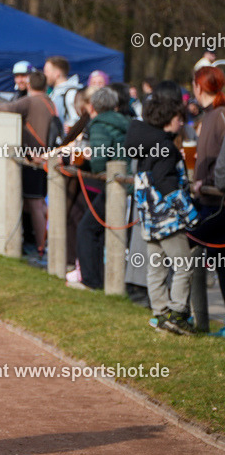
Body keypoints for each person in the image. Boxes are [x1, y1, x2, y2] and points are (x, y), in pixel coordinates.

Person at [124, 83, 199, 334]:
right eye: (180, 119)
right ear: (170, 119)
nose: (182, 123)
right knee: (184, 264)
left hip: (149, 221)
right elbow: (166, 183)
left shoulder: (148, 145)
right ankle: (177, 313)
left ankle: (160, 313)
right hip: (168, 220)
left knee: (156, 267)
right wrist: (190, 214)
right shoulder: (166, 148)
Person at [0, 71, 58, 262]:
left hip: (33, 160)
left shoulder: (30, 101)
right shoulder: (49, 102)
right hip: (43, 158)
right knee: (37, 203)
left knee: (35, 204)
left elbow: (8, 108)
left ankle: (40, 247)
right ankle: (38, 243)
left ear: (29, 85)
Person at [73, 87, 131, 290]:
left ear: (93, 106)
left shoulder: (99, 125)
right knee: (98, 230)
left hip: (116, 186)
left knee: (87, 229)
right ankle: (101, 279)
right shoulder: (126, 122)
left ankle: (91, 281)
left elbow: (99, 162)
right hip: (128, 182)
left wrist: (82, 164)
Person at [189, 66, 225, 332]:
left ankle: (192, 315)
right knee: (213, 256)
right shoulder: (210, 115)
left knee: (191, 243)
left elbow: (220, 162)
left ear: (198, 87)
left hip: (216, 201)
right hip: (207, 199)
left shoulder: (220, 115)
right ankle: (197, 316)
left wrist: (210, 182)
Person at [44, 56, 83, 129]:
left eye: (47, 71)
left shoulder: (71, 93)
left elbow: (76, 120)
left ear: (57, 73)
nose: (45, 75)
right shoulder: (54, 93)